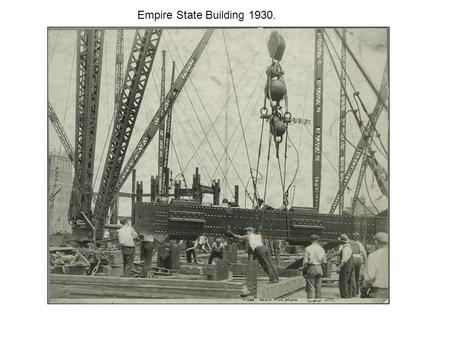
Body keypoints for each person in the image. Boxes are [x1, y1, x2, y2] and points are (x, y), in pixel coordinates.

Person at [362, 232, 388, 299]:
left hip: (378, 292)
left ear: (376, 242)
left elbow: (370, 278)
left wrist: (363, 292)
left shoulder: (373, 256)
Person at [301, 234, 327, 301]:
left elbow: (305, 261)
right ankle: (318, 301)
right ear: (318, 240)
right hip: (319, 267)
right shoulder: (321, 249)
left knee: (310, 287)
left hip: (311, 267)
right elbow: (324, 261)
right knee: (318, 287)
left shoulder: (308, 249)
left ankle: (310, 301)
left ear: (311, 240)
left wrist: (303, 268)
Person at [337, 233, 354, 298]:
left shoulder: (345, 248)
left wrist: (339, 267)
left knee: (343, 283)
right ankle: (349, 297)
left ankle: (344, 298)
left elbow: (344, 260)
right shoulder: (347, 247)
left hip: (345, 268)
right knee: (348, 282)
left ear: (341, 241)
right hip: (349, 267)